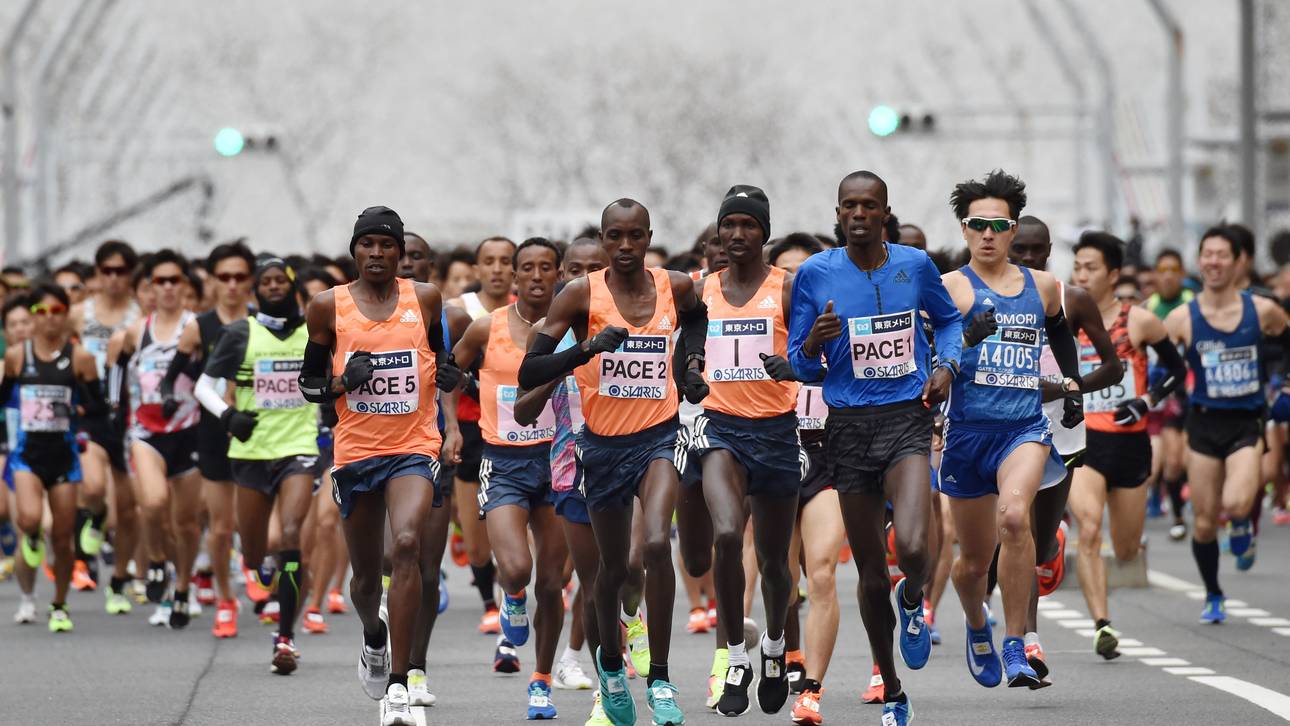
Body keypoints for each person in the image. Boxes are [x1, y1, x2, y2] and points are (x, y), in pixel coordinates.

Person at [519, 198, 707, 726]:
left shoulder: (676, 285)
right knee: (611, 568)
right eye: (614, 237)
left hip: (660, 437)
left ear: (649, 237)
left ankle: (663, 680)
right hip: (601, 447)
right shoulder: (580, 293)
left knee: (652, 545)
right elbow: (531, 372)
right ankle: (609, 665)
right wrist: (586, 349)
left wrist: (691, 363)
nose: (625, 247)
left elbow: (697, 318)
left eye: (635, 236)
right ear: (603, 240)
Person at [787, 171, 964, 726]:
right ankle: (891, 688)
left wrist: (946, 366)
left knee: (911, 545)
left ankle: (912, 596)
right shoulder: (816, 274)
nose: (858, 214)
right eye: (849, 206)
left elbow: (952, 320)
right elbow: (797, 364)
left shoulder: (914, 265)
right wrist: (814, 341)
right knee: (866, 573)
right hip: (847, 426)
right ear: (837, 213)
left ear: (885, 211)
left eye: (869, 205)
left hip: (907, 418)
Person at [298, 206, 459, 726]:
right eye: (367, 244)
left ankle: (399, 686)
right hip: (357, 452)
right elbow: (309, 386)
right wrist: (346, 381)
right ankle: (373, 636)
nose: (377, 253)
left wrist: (452, 377)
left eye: (386, 245)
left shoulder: (426, 299)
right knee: (366, 580)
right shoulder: (327, 307)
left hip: (414, 444)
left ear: (399, 253)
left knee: (407, 545)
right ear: (354, 251)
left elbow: (439, 359)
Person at [938, 170, 1084, 689]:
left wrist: (1071, 386)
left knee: (1016, 517)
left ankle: (1017, 643)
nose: (988, 234)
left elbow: (1062, 334)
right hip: (967, 434)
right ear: (964, 229)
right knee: (971, 563)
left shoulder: (1043, 288)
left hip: (1022, 428)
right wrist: (963, 341)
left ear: (1012, 228)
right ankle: (978, 625)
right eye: (978, 224)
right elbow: (926, 360)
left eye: (998, 225)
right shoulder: (949, 290)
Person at [678, 186, 800, 717]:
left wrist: (796, 361)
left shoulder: (790, 289)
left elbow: (817, 354)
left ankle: (773, 647)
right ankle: (733, 657)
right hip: (719, 428)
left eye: (749, 225)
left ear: (764, 233)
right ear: (718, 232)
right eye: (730, 225)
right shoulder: (701, 290)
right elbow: (682, 345)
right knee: (728, 535)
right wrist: (691, 371)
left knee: (774, 562)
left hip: (776, 432)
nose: (738, 234)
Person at [449, 237, 569, 719]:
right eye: (528, 269)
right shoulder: (485, 328)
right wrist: (452, 425)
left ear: (559, 274)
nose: (537, 276)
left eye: (546, 268)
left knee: (555, 581)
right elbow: (447, 371)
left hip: (558, 460)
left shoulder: (574, 329)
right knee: (518, 567)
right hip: (503, 462)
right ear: (515, 278)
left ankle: (541, 681)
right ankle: (510, 597)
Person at [1007, 218, 1122, 680]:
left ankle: (1051, 546)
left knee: (1036, 544)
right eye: (1022, 252)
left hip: (1062, 433)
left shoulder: (1071, 299)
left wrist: (1068, 389)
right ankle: (1029, 642)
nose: (1030, 260)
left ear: (1051, 250)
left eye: (1038, 252)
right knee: (1016, 531)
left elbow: (1113, 368)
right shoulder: (991, 298)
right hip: (1008, 429)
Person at [196, 257, 319, 674]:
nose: (271, 286)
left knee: (290, 535)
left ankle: (285, 637)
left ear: (290, 285)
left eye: (278, 279)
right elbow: (204, 387)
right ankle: (259, 568)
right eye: (263, 281)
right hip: (250, 454)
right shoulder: (239, 333)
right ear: (256, 289)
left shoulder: (314, 333)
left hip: (298, 448)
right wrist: (228, 417)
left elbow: (329, 379)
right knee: (252, 554)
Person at [512, 236, 617, 725]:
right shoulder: (550, 336)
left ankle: (633, 626)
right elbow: (524, 408)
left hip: (631, 459)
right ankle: (607, 684)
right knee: (594, 582)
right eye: (574, 269)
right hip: (572, 468)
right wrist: (568, 364)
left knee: (635, 562)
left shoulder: (636, 317)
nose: (584, 277)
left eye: (595, 268)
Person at [1067, 232, 1186, 655]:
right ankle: (1102, 624)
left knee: (1126, 547)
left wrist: (1146, 401)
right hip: (1084, 440)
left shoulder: (1139, 321)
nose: (1080, 274)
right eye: (1077, 266)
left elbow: (1175, 370)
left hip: (1131, 444)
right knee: (1090, 528)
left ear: (1113, 274)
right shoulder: (1060, 319)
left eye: (1091, 267)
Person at [1164, 225, 1288, 623]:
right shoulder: (1183, 317)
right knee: (1203, 522)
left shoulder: (1262, 310)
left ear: (1238, 263)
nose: (1213, 262)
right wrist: (1154, 393)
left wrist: (1285, 383)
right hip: (1201, 425)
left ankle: (1242, 526)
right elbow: (1161, 364)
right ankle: (1214, 592)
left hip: (1246, 423)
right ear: (1199, 261)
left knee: (1235, 503)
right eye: (1207, 255)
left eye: (1222, 255)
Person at [163, 241, 255, 637]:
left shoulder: (261, 322)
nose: (232, 285)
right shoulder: (199, 326)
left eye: (239, 277)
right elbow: (174, 375)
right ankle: (225, 599)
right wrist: (168, 397)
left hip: (258, 431)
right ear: (213, 282)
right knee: (220, 527)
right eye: (224, 277)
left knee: (256, 529)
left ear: (250, 281)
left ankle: (257, 571)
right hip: (214, 431)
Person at [111, 249, 205, 628]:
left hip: (188, 430)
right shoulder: (136, 330)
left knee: (185, 523)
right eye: (160, 281)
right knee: (152, 503)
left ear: (184, 285)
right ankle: (153, 561)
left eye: (174, 280)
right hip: (146, 431)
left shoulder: (197, 326)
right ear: (150, 287)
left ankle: (182, 588)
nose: (167, 288)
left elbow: (215, 373)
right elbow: (117, 373)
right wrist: (113, 409)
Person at [4, 283, 105, 630]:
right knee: (29, 520)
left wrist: (77, 406)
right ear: (32, 317)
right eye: (41, 312)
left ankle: (59, 604)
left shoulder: (81, 357)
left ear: (65, 315)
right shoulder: (18, 356)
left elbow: (99, 406)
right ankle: (31, 538)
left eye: (56, 312)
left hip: (64, 456)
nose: (48, 320)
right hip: (27, 454)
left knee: (62, 537)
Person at [446, 236, 516, 647]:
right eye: (488, 261)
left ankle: (510, 598)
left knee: (513, 523)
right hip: (473, 429)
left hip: (515, 428)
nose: (496, 268)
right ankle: (489, 601)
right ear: (476, 268)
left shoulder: (529, 312)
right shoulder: (460, 312)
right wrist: (451, 426)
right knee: (475, 535)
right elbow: (448, 372)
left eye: (505, 261)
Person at [71, 240, 142, 610]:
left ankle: (119, 580)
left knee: (129, 509)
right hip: (91, 410)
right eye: (106, 271)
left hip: (130, 411)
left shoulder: (138, 313)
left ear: (130, 276)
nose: (113, 279)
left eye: (121, 271)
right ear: (97, 274)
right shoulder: (79, 314)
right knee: (95, 487)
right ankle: (95, 516)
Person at [1145, 248, 1194, 539]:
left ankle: (1178, 509)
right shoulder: (1147, 307)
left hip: (1186, 393)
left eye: (1173, 270)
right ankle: (1166, 509)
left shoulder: (1192, 305)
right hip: (1157, 395)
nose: (1167, 276)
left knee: (1177, 462)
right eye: (1161, 270)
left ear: (1182, 274)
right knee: (1159, 465)